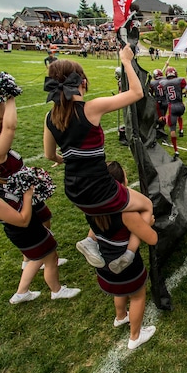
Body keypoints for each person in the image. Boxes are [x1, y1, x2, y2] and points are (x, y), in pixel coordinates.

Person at [43, 45, 154, 269]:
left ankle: (90, 240)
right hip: (99, 190)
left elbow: (49, 155)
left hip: (74, 191)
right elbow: (137, 93)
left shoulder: (49, 116)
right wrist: (126, 60)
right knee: (146, 205)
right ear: (82, 82)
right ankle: (129, 254)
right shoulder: (90, 108)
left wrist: (64, 159)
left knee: (100, 210)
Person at [0, 156, 80, 304]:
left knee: (38, 259)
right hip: (26, 232)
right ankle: (57, 290)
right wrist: (28, 195)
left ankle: (21, 293)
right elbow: (22, 220)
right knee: (50, 259)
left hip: (30, 230)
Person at [0, 93, 67, 270]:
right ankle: (40, 258)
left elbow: (1, 120)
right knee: (38, 222)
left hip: (23, 188)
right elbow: (10, 127)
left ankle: (38, 258)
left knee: (44, 217)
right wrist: (11, 97)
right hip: (20, 192)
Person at [86, 161, 158, 350]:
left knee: (119, 291)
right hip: (126, 265)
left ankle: (120, 317)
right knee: (137, 296)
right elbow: (152, 239)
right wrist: (148, 222)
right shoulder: (127, 213)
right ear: (119, 185)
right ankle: (135, 336)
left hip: (103, 262)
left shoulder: (92, 208)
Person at [160, 66, 187, 159]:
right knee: (179, 115)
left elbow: (161, 85)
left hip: (172, 106)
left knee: (172, 129)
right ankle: (181, 129)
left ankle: (176, 151)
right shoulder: (180, 80)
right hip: (181, 106)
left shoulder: (163, 83)